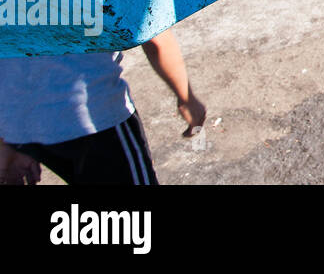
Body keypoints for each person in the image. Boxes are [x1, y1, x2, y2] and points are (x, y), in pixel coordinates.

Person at [0, 30, 205, 185]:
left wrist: (6, 138)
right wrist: (187, 98)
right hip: (94, 119)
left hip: (15, 121)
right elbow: (153, 33)